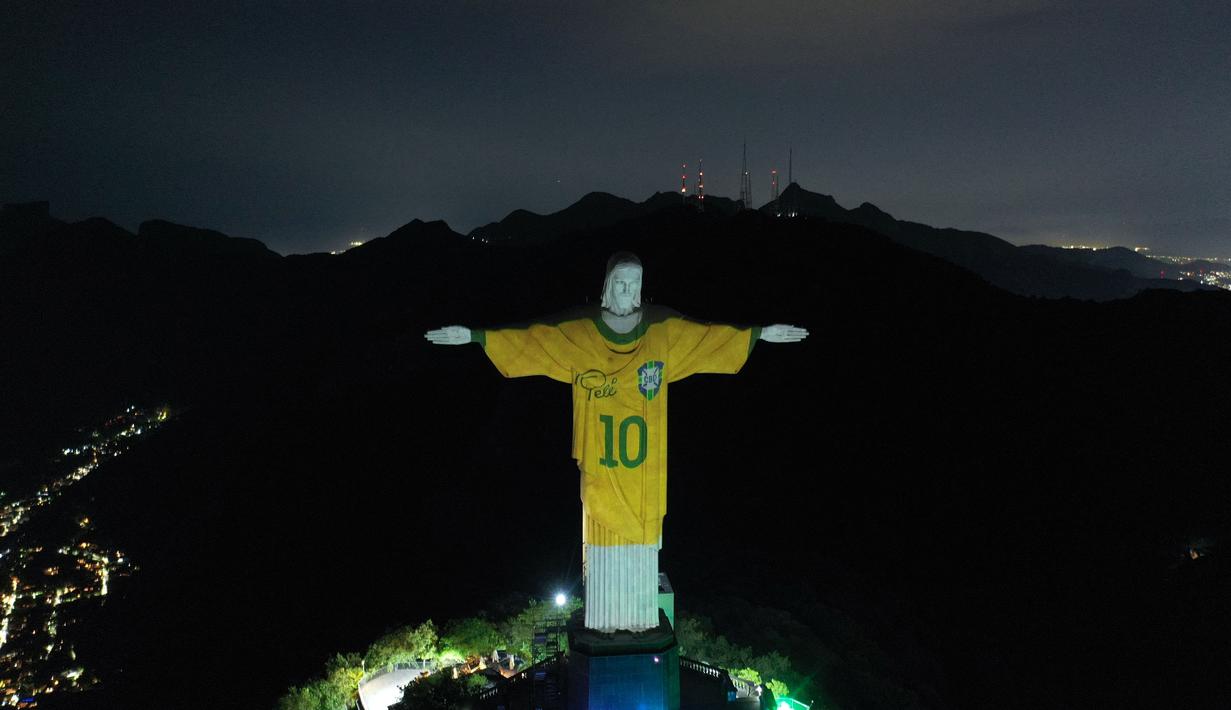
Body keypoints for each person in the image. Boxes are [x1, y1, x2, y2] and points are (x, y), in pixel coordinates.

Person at [425, 252, 807, 632]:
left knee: (642, 544)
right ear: (608, 287)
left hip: (643, 471)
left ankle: (639, 622)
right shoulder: (583, 334)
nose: (627, 291)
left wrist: (759, 334)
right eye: (620, 284)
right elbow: (535, 342)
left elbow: (707, 338)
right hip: (603, 462)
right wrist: (476, 337)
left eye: (634, 284)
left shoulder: (662, 332)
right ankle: (604, 622)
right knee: (600, 539)